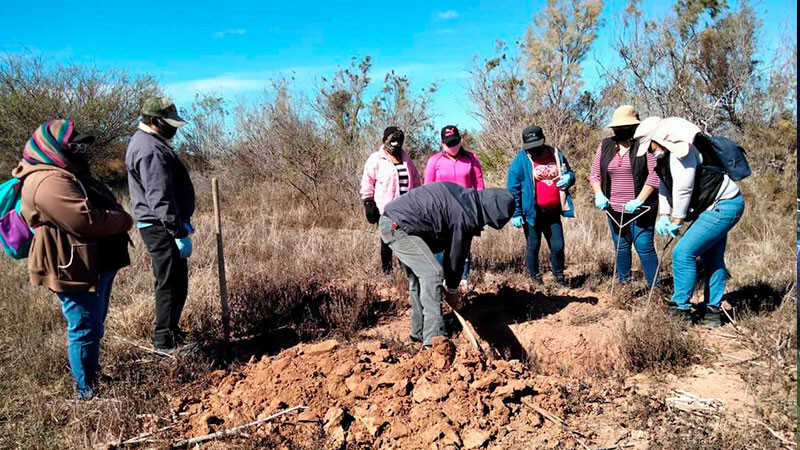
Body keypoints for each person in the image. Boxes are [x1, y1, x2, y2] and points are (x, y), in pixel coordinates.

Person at [13, 119, 133, 398]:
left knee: (94, 322)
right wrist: (123, 219)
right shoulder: (47, 180)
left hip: (91, 263)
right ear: (52, 146)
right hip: (71, 266)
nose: (81, 151)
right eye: (74, 145)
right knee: (83, 326)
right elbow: (83, 221)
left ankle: (94, 375)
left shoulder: (66, 172)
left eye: (82, 146)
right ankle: (87, 391)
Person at [634, 117, 745, 327]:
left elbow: (683, 188)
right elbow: (665, 188)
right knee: (711, 256)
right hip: (716, 207)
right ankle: (712, 311)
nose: (648, 151)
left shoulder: (681, 154)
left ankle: (680, 308)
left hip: (723, 205)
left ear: (656, 140)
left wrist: (677, 220)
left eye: (649, 145)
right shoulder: (664, 158)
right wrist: (664, 216)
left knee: (683, 253)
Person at [379, 182, 514, 348]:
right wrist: (451, 289)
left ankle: (418, 335)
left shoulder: (467, 200)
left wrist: (451, 287)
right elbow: (456, 256)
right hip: (398, 227)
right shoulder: (465, 216)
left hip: (398, 222)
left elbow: (454, 252)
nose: (485, 225)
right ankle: (434, 342)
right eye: (488, 221)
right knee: (432, 274)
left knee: (419, 279)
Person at [126, 97, 196, 351]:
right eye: (170, 123)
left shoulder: (151, 143)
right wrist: (177, 229)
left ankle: (172, 332)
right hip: (161, 227)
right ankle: (164, 342)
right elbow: (159, 196)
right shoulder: (150, 149)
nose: (175, 128)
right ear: (155, 121)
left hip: (163, 225)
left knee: (177, 281)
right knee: (169, 283)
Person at [589, 105, 659, 288]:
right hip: (614, 209)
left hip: (641, 209)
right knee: (621, 247)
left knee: (644, 246)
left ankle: (655, 287)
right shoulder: (606, 145)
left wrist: (639, 200)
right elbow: (595, 173)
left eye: (626, 127)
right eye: (618, 127)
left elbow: (654, 174)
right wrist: (599, 195)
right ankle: (624, 285)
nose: (621, 130)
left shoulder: (644, 145)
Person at [506, 125, 576, 288]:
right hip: (532, 213)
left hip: (553, 211)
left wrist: (569, 178)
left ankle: (558, 278)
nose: (533, 150)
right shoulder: (521, 160)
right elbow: (513, 188)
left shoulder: (556, 154)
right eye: (530, 147)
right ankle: (536, 279)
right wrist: (516, 213)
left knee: (558, 246)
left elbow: (570, 172)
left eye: (536, 145)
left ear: (543, 141)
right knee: (533, 245)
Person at [424, 125, 485, 289]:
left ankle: (463, 279)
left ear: (460, 140)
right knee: (442, 247)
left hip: (466, 211)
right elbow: (427, 188)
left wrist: (479, 210)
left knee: (463, 245)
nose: (453, 146)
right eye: (449, 143)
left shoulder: (471, 159)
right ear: (442, 144)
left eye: (455, 142)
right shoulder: (434, 160)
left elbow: (479, 185)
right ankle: (443, 279)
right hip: (442, 212)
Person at [359, 126, 421, 280]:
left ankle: (406, 270)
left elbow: (416, 181)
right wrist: (368, 202)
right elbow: (368, 181)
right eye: (392, 140)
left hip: (406, 208)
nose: (395, 144)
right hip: (384, 208)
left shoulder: (407, 159)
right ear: (385, 141)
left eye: (398, 140)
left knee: (405, 239)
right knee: (387, 240)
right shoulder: (376, 159)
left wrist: (419, 201)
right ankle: (388, 272)